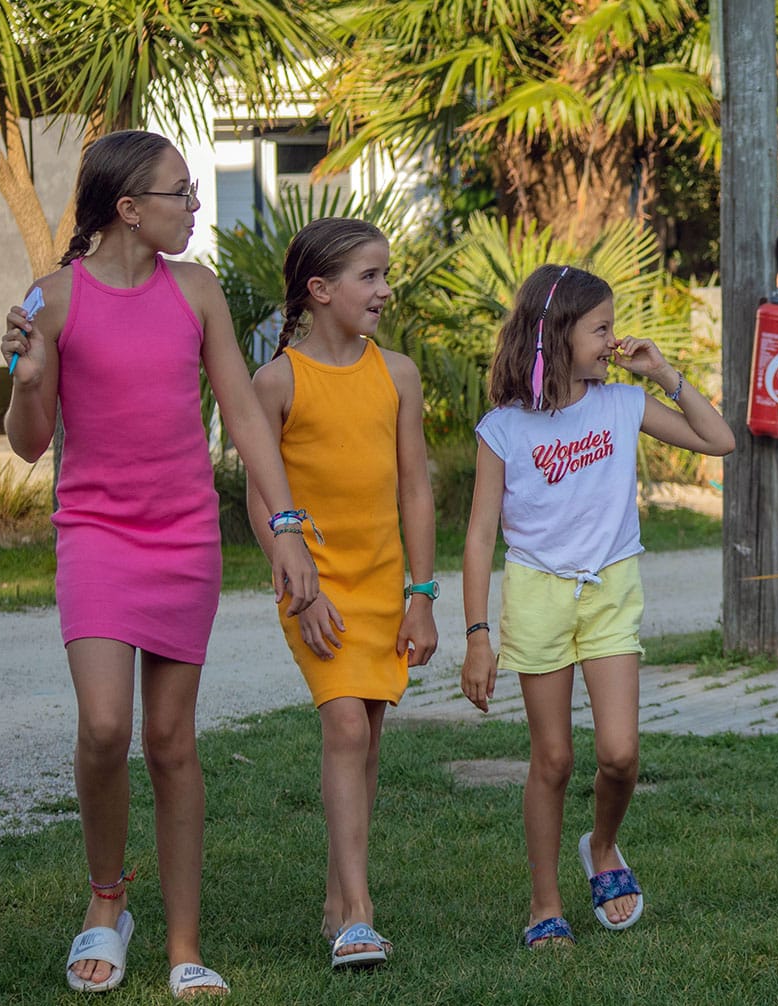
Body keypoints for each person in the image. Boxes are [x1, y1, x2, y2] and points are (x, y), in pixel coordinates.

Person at [1, 129, 321, 997]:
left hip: (183, 537)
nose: (192, 207)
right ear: (128, 208)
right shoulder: (54, 298)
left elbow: (246, 419)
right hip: (97, 535)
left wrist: (285, 522)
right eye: (180, 193)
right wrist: (31, 381)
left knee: (172, 742)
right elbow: (30, 445)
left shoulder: (198, 291)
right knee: (107, 728)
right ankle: (107, 901)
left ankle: (185, 944)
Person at [457, 264, 735, 949]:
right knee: (552, 759)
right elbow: (479, 537)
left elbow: (718, 440)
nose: (616, 338)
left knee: (620, 755)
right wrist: (477, 636)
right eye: (602, 327)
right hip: (537, 594)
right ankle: (544, 901)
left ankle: (603, 845)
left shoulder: (622, 405)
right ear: (557, 335)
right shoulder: (502, 428)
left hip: (610, 589)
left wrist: (663, 374)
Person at [244, 217, 439, 970]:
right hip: (315, 589)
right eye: (370, 277)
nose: (386, 290)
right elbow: (263, 494)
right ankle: (359, 912)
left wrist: (421, 593)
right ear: (319, 291)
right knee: (346, 732)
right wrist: (298, 581)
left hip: (385, 583)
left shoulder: (398, 374)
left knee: (368, 738)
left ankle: (336, 899)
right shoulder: (277, 381)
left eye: (386, 275)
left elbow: (417, 490)